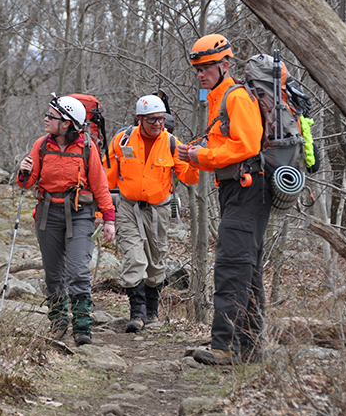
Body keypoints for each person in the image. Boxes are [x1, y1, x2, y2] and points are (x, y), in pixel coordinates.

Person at [177, 34, 273, 365]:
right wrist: (196, 154)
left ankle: (225, 345)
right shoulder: (219, 98)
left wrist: (202, 154)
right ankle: (250, 346)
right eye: (197, 68)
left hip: (250, 187)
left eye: (206, 67)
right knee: (248, 268)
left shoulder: (236, 96)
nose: (201, 74)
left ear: (224, 64)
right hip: (236, 188)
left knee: (232, 265)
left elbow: (247, 145)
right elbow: (223, 145)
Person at [17, 96, 116, 346]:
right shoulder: (41, 145)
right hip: (47, 214)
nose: (46, 120)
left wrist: (108, 219)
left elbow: (101, 185)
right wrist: (23, 172)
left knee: (78, 271)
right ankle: (58, 323)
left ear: (67, 124)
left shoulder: (87, 148)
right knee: (53, 274)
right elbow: (28, 183)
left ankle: (83, 327)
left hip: (80, 214)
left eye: (52, 117)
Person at [104, 95, 199, 333]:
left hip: (159, 210)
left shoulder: (171, 143)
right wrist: (102, 212)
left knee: (156, 261)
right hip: (127, 207)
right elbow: (107, 178)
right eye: (152, 120)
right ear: (140, 119)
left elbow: (188, 177)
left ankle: (152, 311)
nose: (158, 124)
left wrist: (195, 159)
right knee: (134, 258)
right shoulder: (122, 139)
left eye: (161, 119)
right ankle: (137, 314)